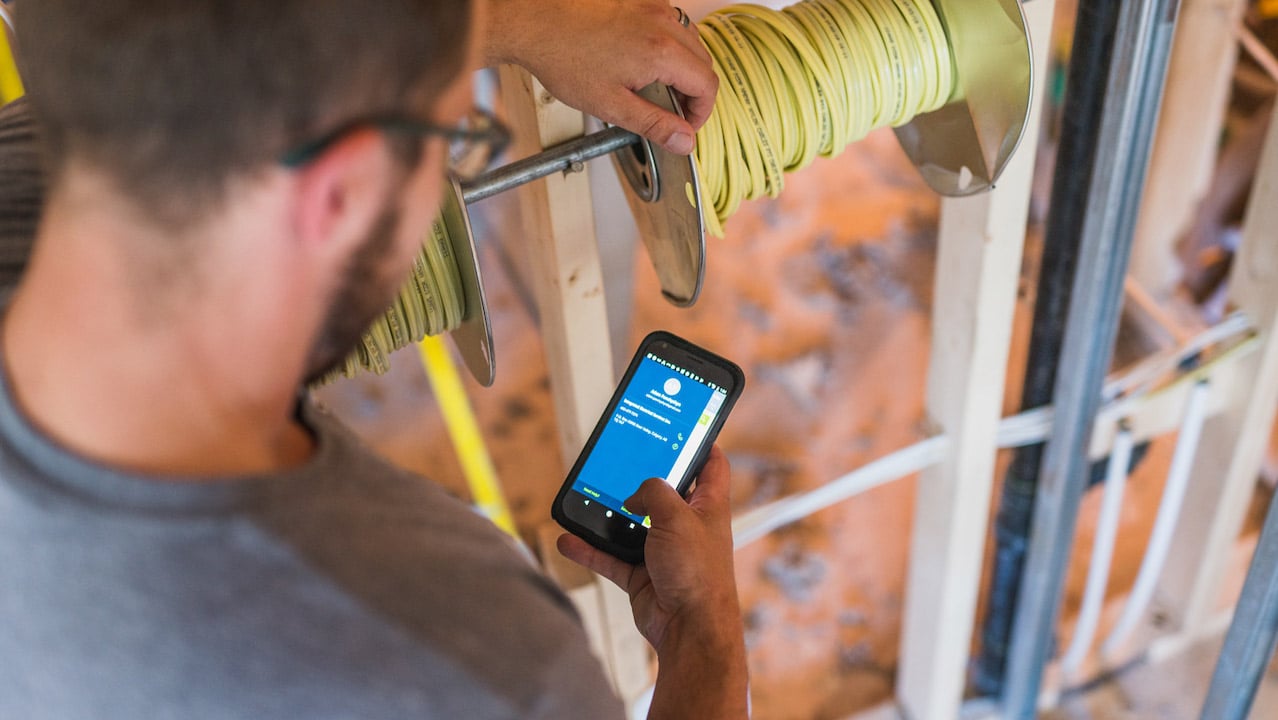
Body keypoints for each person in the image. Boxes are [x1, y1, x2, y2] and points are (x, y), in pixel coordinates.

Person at [0, 1, 748, 718]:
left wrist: (527, 24)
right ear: (337, 195)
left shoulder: (60, 152)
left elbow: (222, 53)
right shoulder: (472, 665)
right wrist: (704, 635)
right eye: (456, 136)